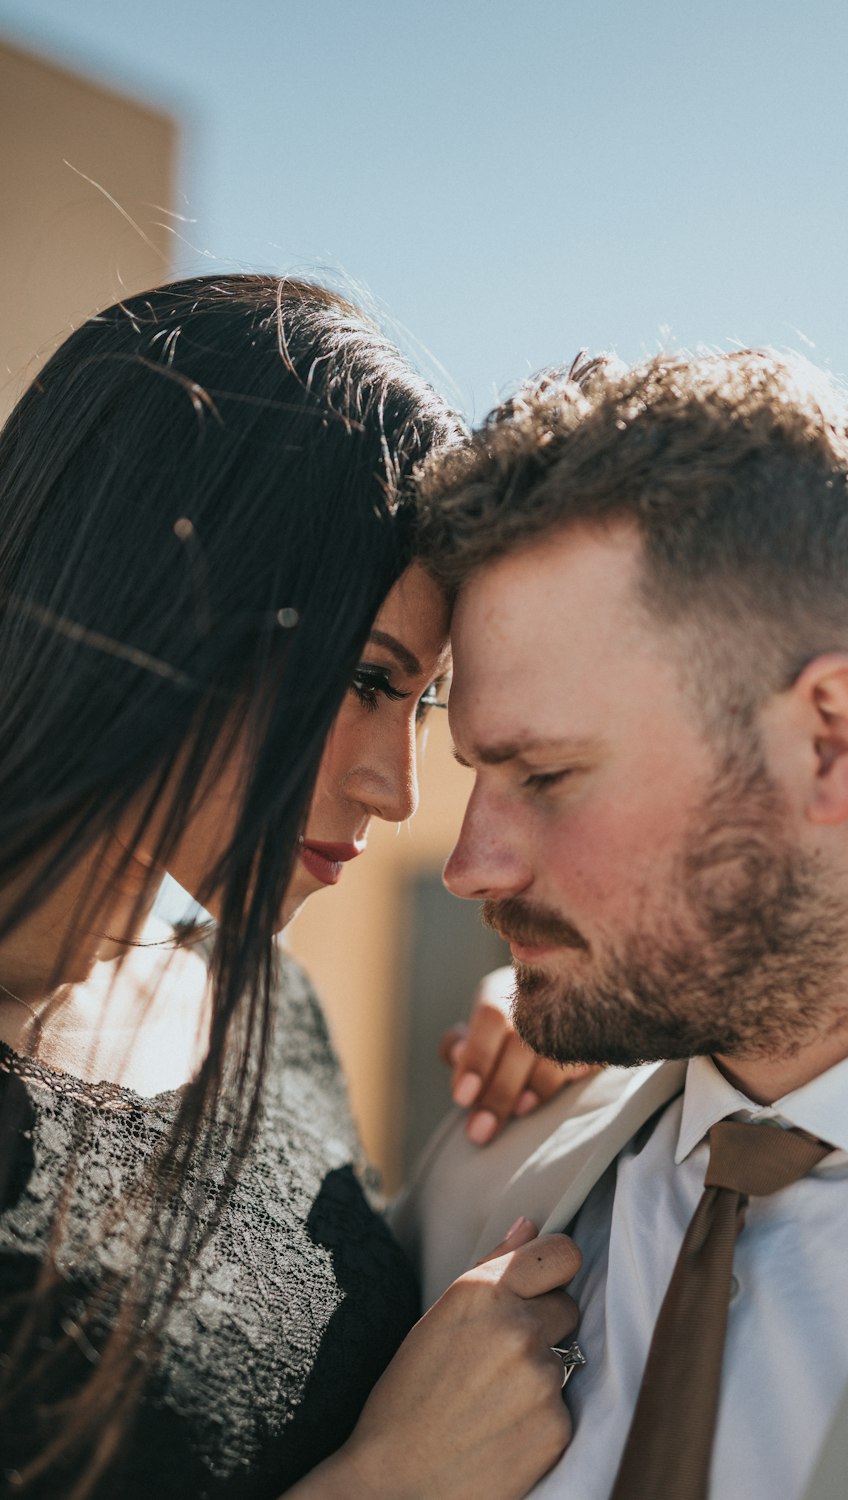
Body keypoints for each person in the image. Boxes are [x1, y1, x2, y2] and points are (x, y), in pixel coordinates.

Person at [0, 274, 583, 1500]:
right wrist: (390, 1481)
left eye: (421, 704)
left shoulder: (275, 1012)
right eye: (365, 682)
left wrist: (566, 1060)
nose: (396, 789)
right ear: (158, 600)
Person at [398, 348, 848, 1499]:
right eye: (476, 770)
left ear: (827, 741)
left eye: (549, 774)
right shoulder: (480, 1177)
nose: (472, 866)